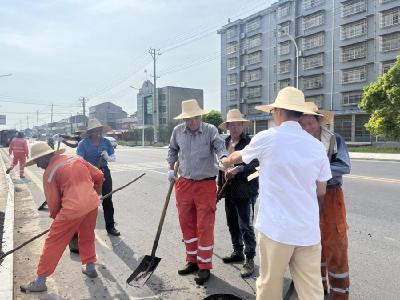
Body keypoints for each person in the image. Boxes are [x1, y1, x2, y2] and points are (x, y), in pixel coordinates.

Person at [221, 87, 332, 300]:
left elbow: (238, 157)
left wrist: (225, 160)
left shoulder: (268, 137)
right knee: (311, 290)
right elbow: (321, 190)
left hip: (276, 229)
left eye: (273, 111)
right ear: (299, 113)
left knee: (270, 285)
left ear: (279, 111)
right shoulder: (316, 146)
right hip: (307, 230)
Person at [20, 142, 104, 293]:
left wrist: (58, 223)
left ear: (47, 156)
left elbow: (53, 204)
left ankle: (40, 281)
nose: (38, 166)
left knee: (54, 242)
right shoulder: (76, 159)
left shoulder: (50, 173)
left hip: (72, 209)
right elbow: (99, 175)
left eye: (38, 161)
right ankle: (90, 266)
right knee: (87, 235)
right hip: (92, 204)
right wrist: (97, 193)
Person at [167, 99, 227, 285]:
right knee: (187, 224)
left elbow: (219, 147)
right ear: (184, 118)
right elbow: (172, 150)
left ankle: (204, 266)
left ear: (200, 116)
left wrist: (224, 159)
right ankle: (192, 260)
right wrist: (170, 168)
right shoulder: (178, 131)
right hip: (184, 183)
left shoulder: (210, 130)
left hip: (205, 185)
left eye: (195, 117)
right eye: (188, 118)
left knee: (204, 226)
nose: (192, 121)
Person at [300, 102, 351, 299]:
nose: (307, 127)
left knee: (335, 245)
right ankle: (319, 290)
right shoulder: (300, 143)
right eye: (302, 123)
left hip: (331, 195)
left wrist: (319, 172)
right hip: (308, 196)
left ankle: (339, 294)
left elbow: (344, 166)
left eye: (310, 122)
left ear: (319, 120)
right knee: (313, 244)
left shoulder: (334, 140)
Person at [217, 109, 258, 278]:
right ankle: (237, 251)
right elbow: (221, 165)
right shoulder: (223, 142)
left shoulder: (250, 143)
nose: (235, 127)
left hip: (245, 190)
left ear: (243, 125)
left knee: (245, 226)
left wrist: (238, 169)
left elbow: (256, 166)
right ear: (227, 126)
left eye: (238, 124)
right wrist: (219, 187)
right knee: (232, 223)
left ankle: (249, 259)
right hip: (228, 190)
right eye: (232, 125)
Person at [77, 119, 120, 236]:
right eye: (94, 130)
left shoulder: (106, 142)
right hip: (88, 175)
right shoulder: (83, 144)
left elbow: (113, 158)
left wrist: (107, 157)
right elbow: (79, 160)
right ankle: (86, 229)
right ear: (90, 132)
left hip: (104, 173)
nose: (97, 132)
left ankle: (110, 226)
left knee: (107, 199)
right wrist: (90, 169)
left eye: (98, 130)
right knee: (88, 202)